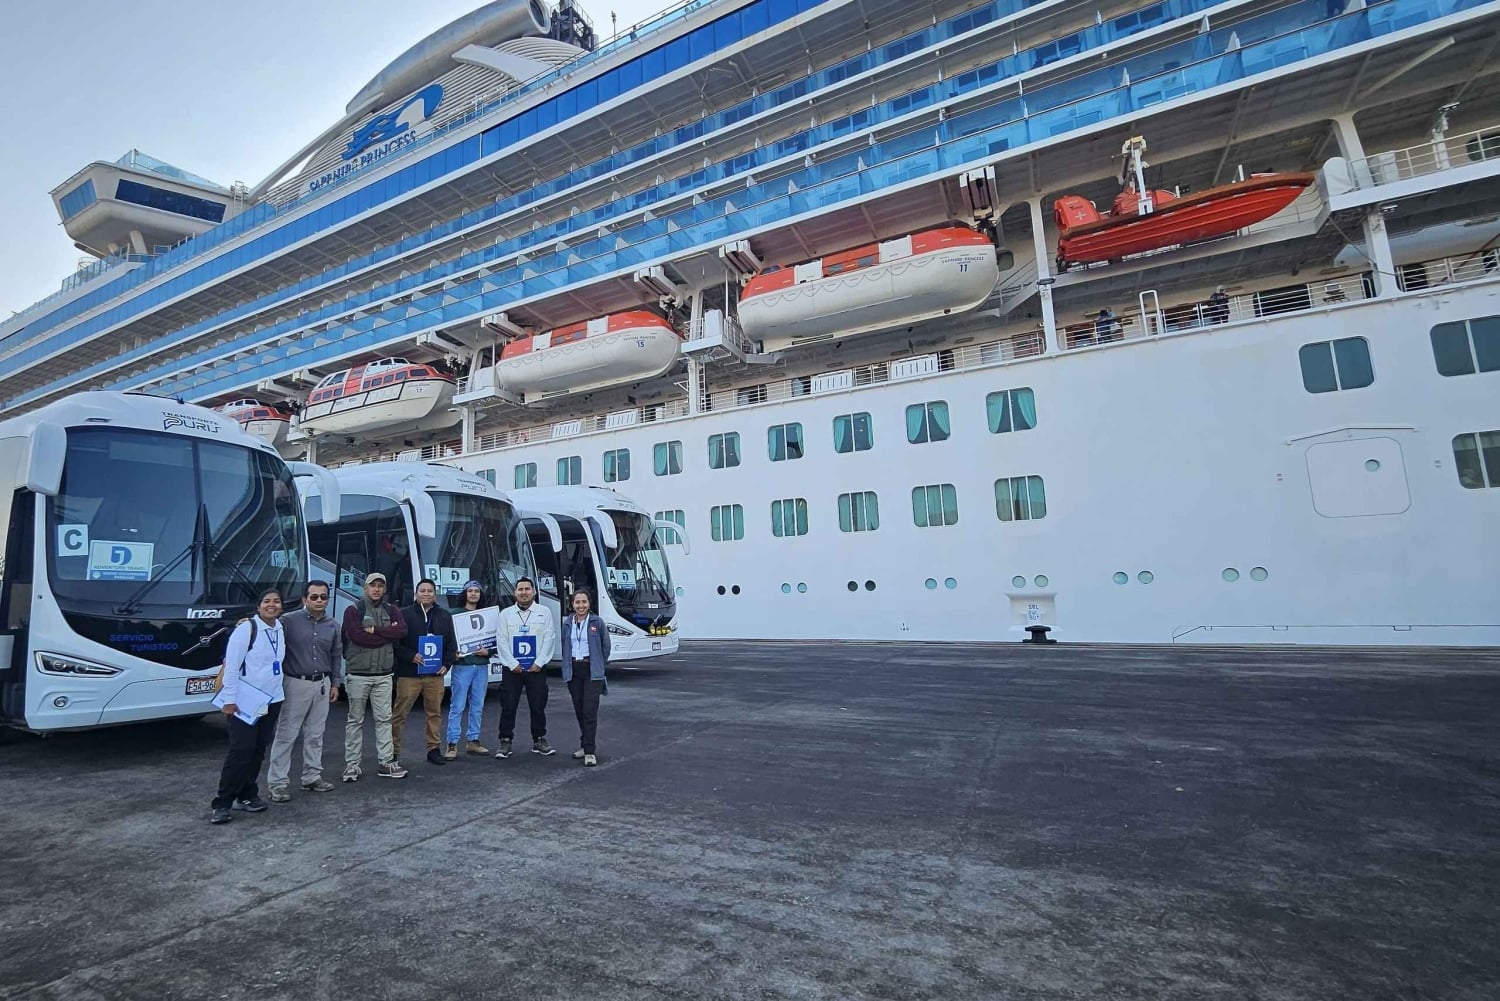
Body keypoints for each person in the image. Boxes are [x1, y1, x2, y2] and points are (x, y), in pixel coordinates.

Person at [210, 590, 287, 824]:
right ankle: (222, 802)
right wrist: (229, 700)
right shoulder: (246, 630)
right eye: (267, 601)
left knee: (258, 750)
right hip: (244, 700)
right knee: (241, 750)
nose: (272, 605)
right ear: (258, 606)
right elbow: (232, 667)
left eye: (276, 602)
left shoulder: (279, 628)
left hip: (272, 699)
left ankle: (246, 795)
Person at [266, 580, 343, 802]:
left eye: (323, 597)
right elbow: (267, 629)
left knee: (316, 734)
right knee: (286, 734)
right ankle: (278, 783)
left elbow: (336, 655)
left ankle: (312, 777)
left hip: (322, 684)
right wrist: (246, 623)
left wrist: (335, 683)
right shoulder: (288, 621)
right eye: (314, 596)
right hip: (295, 683)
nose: (319, 600)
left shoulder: (333, 625)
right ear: (304, 599)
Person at [342, 572, 408, 781]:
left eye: (380, 585)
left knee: (384, 720)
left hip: (384, 675)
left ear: (385, 589)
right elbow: (357, 637)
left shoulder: (393, 610)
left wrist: (376, 630)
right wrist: (387, 634)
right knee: (355, 720)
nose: (377, 589)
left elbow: (401, 632)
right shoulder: (353, 610)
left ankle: (386, 762)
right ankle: (352, 765)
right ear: (365, 588)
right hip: (358, 675)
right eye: (373, 585)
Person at [392, 579, 458, 767]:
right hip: (409, 673)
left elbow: (451, 644)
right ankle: (392, 751)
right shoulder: (403, 614)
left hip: (434, 675)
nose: (426, 594)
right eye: (423, 591)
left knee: (434, 713)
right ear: (416, 594)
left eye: (430, 591)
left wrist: (447, 664)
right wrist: (410, 655)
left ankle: (433, 749)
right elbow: (395, 643)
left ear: (435, 595)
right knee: (399, 714)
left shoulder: (444, 615)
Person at [493, 577, 558, 758]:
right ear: (515, 593)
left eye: (527, 589)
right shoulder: (506, 614)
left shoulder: (544, 612)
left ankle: (539, 739)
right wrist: (512, 664)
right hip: (512, 669)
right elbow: (501, 640)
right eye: (520, 589)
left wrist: (540, 662)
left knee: (538, 705)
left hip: (536, 668)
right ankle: (505, 741)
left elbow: (549, 638)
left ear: (534, 591)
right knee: (508, 705)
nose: (524, 592)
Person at [559, 590, 611, 767]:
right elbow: (564, 645)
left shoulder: (597, 622)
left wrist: (599, 664)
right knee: (579, 709)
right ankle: (584, 744)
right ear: (572, 604)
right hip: (574, 670)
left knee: (589, 710)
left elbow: (606, 646)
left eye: (584, 602)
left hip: (591, 670)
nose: (581, 606)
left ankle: (590, 751)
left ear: (589, 603)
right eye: (577, 602)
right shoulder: (567, 623)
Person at [445, 580, 493, 759]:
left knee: (477, 705)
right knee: (457, 705)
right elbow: (447, 639)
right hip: (462, 666)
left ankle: (473, 740)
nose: (473, 594)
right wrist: (453, 654)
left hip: (481, 666)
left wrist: (488, 652)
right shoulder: (454, 614)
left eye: (476, 591)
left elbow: (494, 640)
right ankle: (452, 743)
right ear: (464, 594)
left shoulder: (487, 615)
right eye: (470, 591)